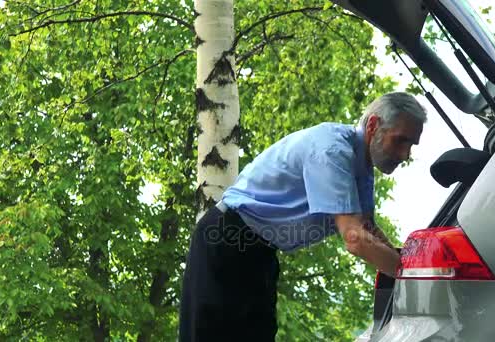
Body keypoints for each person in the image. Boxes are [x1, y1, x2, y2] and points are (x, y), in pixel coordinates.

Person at [178, 92, 427, 341]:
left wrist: (412, 264)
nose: (405, 154)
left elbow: (368, 230)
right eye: (400, 141)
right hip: (226, 240)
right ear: (373, 125)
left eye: (411, 145)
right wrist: (420, 281)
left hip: (260, 253)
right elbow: (356, 239)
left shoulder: (361, 166)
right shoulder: (332, 150)